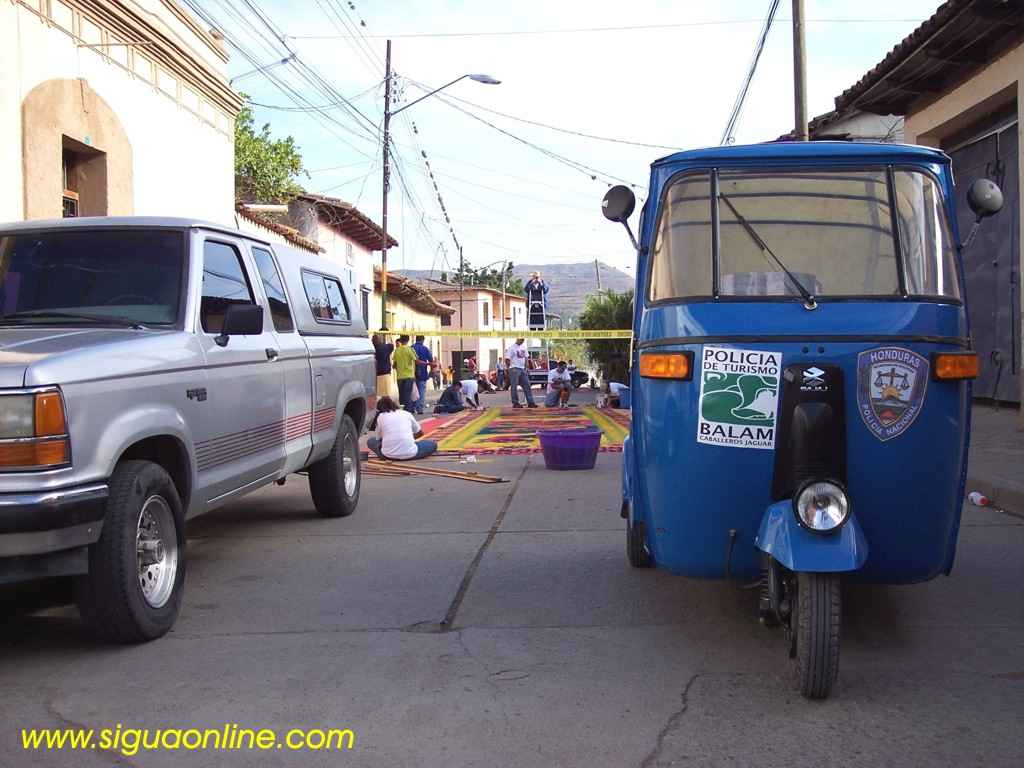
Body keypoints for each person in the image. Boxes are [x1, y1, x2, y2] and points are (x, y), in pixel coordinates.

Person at [367, 396, 437, 460]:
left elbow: (378, 439)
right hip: (411, 453)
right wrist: (407, 439)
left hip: (388, 455)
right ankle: (405, 448)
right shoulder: (406, 413)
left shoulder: (380, 416)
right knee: (433, 444)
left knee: (371, 441)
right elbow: (420, 433)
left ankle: (385, 454)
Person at [505, 337, 537, 409]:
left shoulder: (523, 347)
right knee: (514, 386)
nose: (522, 341)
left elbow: (526, 358)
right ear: (517, 339)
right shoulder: (512, 348)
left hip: (522, 369)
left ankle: (531, 402)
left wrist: (526, 367)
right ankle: (515, 403)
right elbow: (507, 359)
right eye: (521, 340)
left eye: (523, 340)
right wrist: (509, 368)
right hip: (514, 368)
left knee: (527, 385)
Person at [392, 335, 417, 413]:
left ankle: (402, 412)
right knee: (408, 396)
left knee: (401, 396)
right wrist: (428, 363)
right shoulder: (410, 349)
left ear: (400, 340)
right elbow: (415, 360)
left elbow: (394, 365)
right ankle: (408, 412)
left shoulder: (397, 350)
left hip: (400, 377)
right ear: (408, 340)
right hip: (409, 376)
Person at [411, 335, 433, 415]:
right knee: (421, 391)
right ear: (423, 340)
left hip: (412, 373)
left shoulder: (411, 348)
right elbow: (431, 360)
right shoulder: (425, 349)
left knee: (413, 391)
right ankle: (419, 408)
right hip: (423, 373)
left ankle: (412, 407)